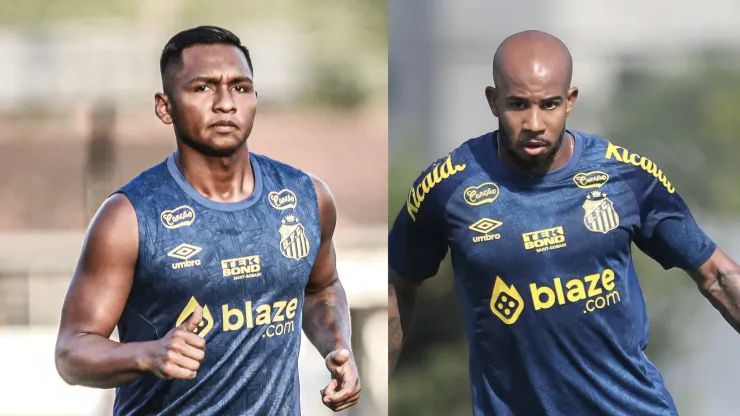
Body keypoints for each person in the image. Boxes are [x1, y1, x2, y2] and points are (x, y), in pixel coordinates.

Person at [388, 29, 740, 416]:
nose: (534, 123)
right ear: (493, 101)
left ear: (570, 101)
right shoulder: (447, 187)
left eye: (549, 104)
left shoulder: (625, 176)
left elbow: (717, 276)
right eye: (518, 104)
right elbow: (398, 285)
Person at [54, 25, 360, 415]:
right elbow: (72, 350)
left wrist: (337, 345)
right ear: (165, 107)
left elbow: (321, 287)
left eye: (240, 87)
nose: (225, 103)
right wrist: (147, 355)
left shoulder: (307, 198)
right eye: (203, 88)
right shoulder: (129, 217)